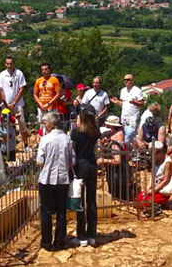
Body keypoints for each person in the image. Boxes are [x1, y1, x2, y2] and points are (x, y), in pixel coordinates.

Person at [36, 112, 75, 251]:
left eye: (45, 123)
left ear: (52, 124)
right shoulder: (67, 139)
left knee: (46, 211)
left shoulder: (45, 140)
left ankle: (46, 242)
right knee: (61, 211)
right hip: (63, 179)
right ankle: (59, 241)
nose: (44, 125)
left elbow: (39, 162)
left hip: (46, 179)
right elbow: (72, 161)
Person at [70, 105, 100, 247]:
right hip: (92, 165)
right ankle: (92, 234)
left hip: (81, 167)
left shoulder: (77, 132)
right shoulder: (96, 131)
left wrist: (76, 122)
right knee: (92, 201)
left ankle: (82, 235)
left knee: (80, 202)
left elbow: (73, 141)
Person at [97, 116, 132, 200]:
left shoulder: (116, 140)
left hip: (118, 172)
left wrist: (104, 160)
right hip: (112, 171)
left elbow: (117, 159)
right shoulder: (110, 140)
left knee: (118, 195)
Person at [0, 56, 29, 147]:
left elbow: (22, 88)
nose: (9, 65)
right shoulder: (2, 75)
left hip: (17, 104)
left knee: (21, 124)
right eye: (7, 64)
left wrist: (14, 102)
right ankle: (7, 147)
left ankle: (26, 144)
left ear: (13, 64)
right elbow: (1, 90)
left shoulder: (19, 73)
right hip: (5, 105)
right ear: (5, 64)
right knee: (5, 125)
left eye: (11, 63)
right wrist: (6, 104)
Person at [110, 74, 145, 143]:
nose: (126, 81)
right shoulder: (123, 90)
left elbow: (142, 104)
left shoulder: (137, 90)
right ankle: (124, 150)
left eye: (128, 79)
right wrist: (117, 101)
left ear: (132, 81)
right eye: (124, 80)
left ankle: (130, 151)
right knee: (123, 135)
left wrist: (134, 102)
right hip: (124, 118)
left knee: (131, 135)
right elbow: (123, 104)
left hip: (132, 118)